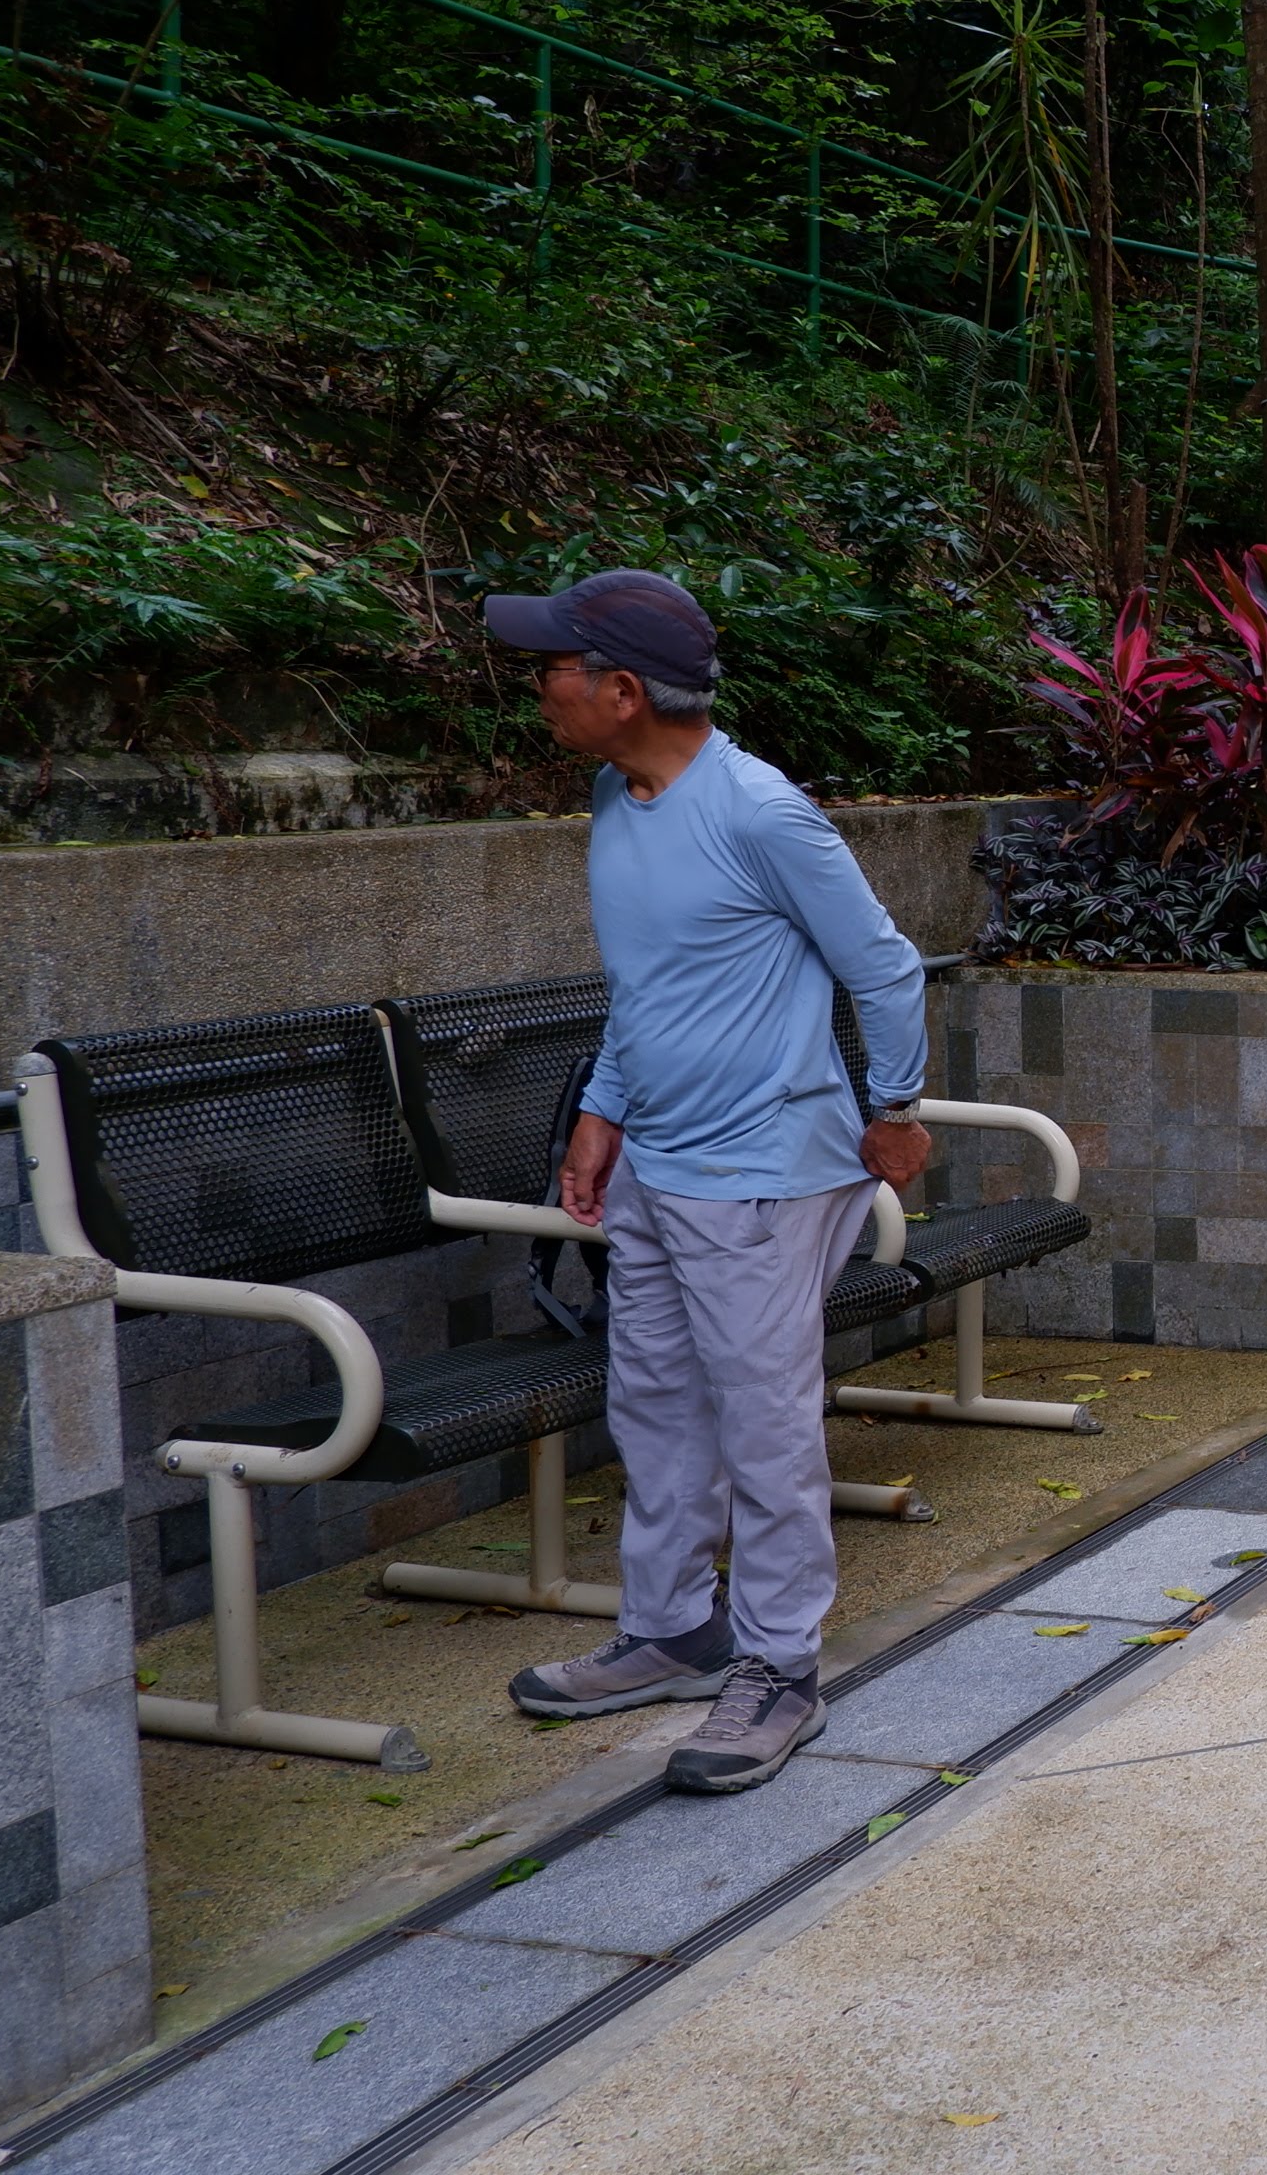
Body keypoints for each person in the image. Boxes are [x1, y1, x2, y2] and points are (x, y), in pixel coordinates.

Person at [484, 569, 931, 1795]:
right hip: (660, 1166)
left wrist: (895, 1109)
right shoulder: (614, 794)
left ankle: (781, 1664)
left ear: (622, 690)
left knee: (763, 1425)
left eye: (554, 668)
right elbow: (648, 987)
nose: (539, 688)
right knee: (656, 1405)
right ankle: (676, 1629)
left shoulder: (762, 812)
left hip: (764, 1173)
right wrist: (601, 1111)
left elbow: (886, 966)